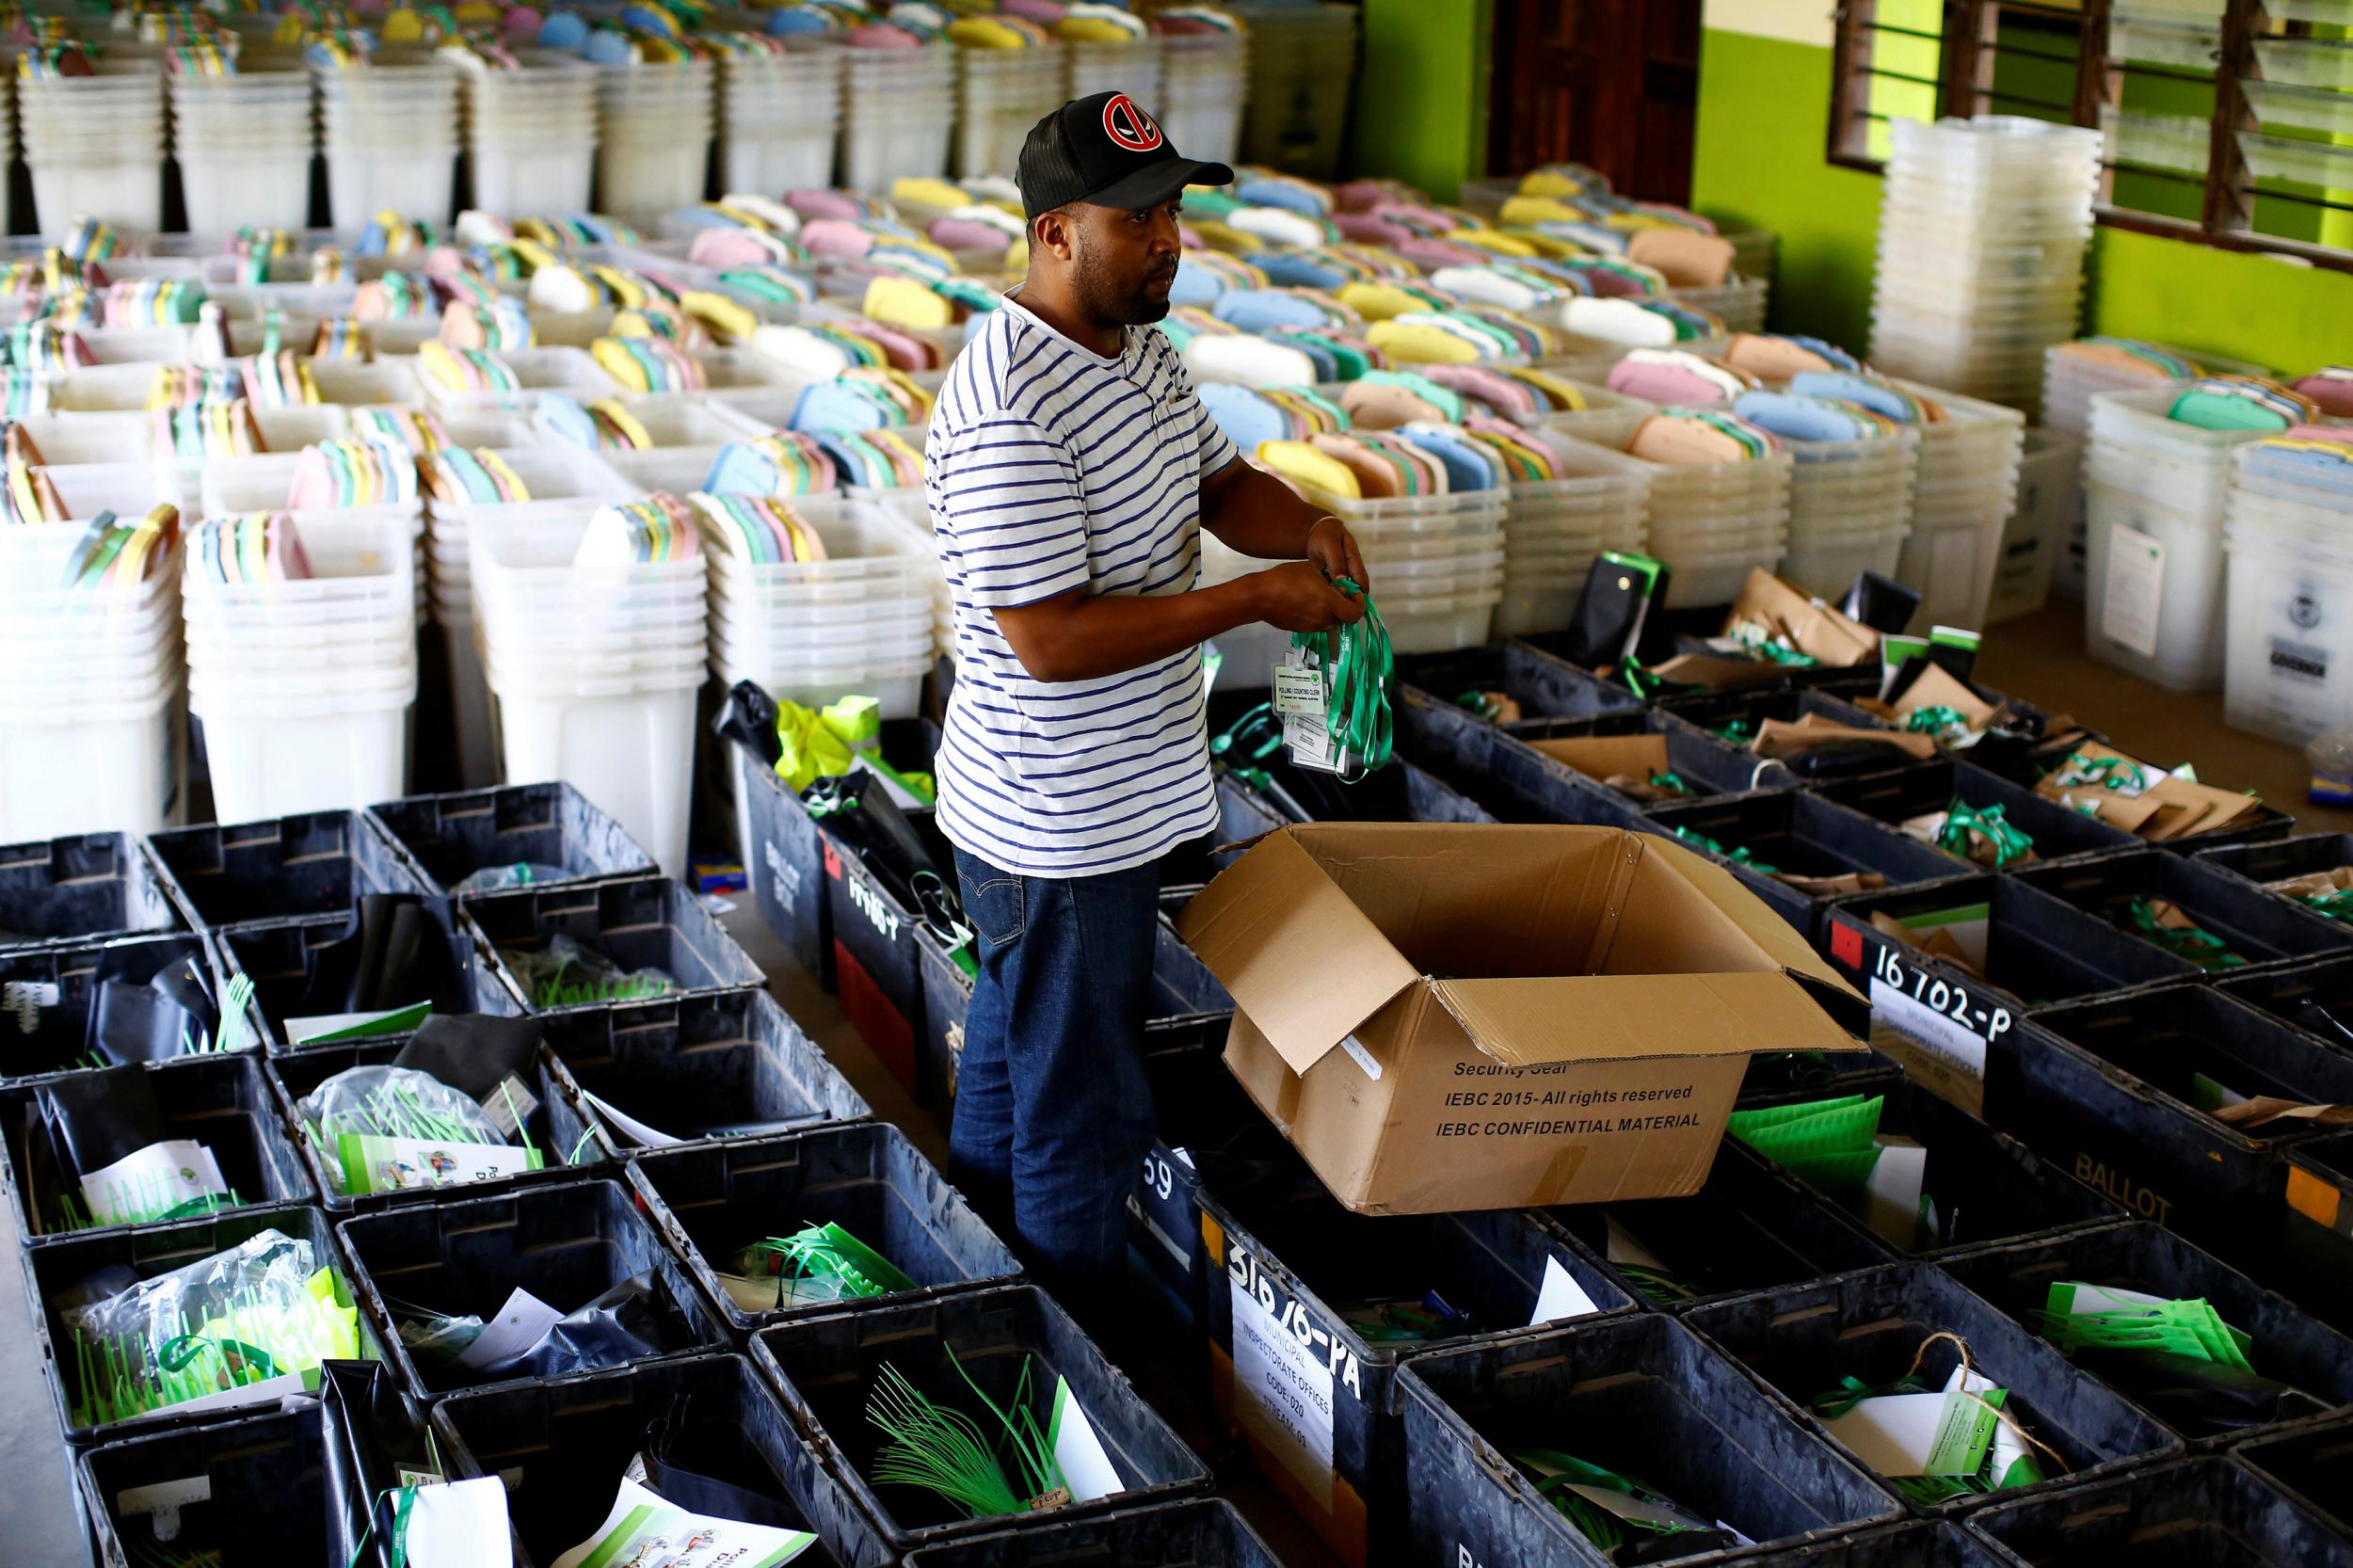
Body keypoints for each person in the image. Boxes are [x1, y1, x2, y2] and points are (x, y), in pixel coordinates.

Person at [925, 89, 1369, 1333]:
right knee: (1088, 1109)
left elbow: (1221, 482)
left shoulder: (1138, 349)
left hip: (1100, 796)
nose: (1170, 237)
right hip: (1054, 820)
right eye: (1139, 217)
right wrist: (1256, 601)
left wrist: (1309, 525)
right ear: (1055, 232)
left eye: (1174, 208)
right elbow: (1051, 639)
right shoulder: (1012, 408)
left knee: (1021, 1048)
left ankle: (982, 1282)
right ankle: (1080, 1358)